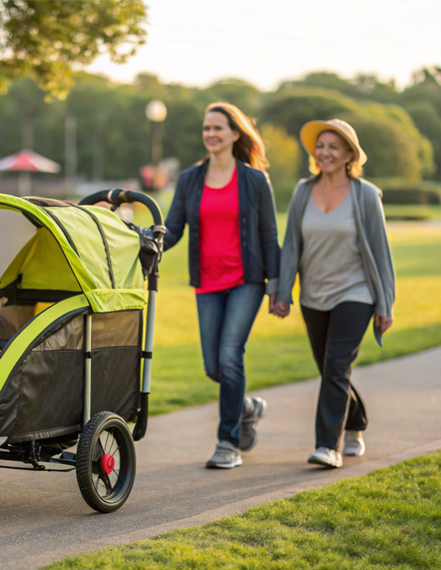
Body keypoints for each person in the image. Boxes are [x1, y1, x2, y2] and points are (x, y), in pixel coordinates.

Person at [163, 102, 280, 469]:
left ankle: (227, 443)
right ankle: (247, 406)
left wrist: (277, 287)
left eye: (218, 128)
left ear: (235, 133)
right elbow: (173, 229)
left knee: (231, 356)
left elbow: (269, 235)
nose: (210, 134)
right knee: (214, 367)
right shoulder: (189, 179)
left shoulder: (254, 180)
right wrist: (143, 241)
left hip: (246, 281)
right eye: (206, 128)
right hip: (207, 283)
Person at [273, 119, 395, 469]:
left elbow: (380, 251)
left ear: (349, 155)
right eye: (321, 145)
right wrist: (283, 292)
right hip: (314, 295)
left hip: (356, 293)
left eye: (334, 147)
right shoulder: (302, 191)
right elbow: (292, 245)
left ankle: (328, 446)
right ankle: (355, 422)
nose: (325, 152)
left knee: (337, 367)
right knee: (330, 371)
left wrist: (385, 303)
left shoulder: (366, 195)